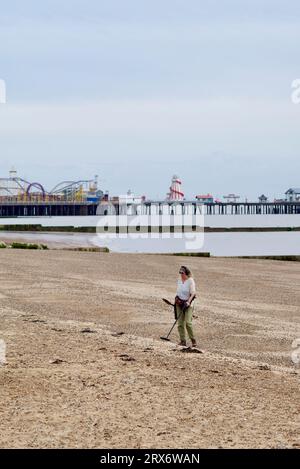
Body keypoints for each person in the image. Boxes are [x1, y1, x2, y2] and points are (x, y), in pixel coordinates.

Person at [175, 266, 197, 347]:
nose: (181, 274)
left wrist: (188, 301)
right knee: (180, 323)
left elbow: (193, 293)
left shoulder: (190, 281)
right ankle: (183, 341)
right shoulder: (179, 281)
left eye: (182, 273)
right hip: (179, 303)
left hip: (188, 304)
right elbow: (178, 292)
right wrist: (176, 299)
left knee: (188, 323)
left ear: (186, 273)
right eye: (180, 273)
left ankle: (193, 340)